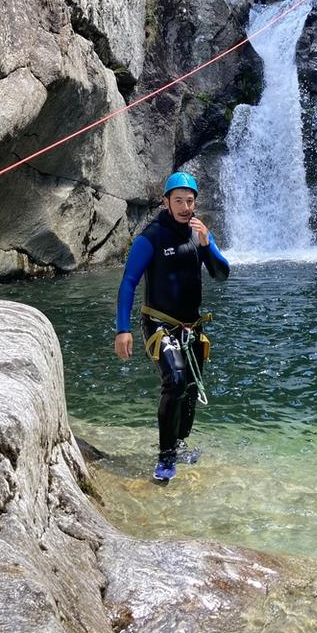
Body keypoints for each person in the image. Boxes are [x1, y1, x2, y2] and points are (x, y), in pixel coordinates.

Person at [114, 172, 230, 483]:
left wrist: (207, 245)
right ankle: (165, 458)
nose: (184, 207)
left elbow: (222, 275)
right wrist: (122, 329)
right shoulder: (151, 237)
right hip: (158, 323)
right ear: (166, 202)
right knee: (175, 381)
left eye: (189, 201)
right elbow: (128, 282)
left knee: (190, 390)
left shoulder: (199, 234)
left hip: (192, 328)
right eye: (178, 200)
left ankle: (178, 444)